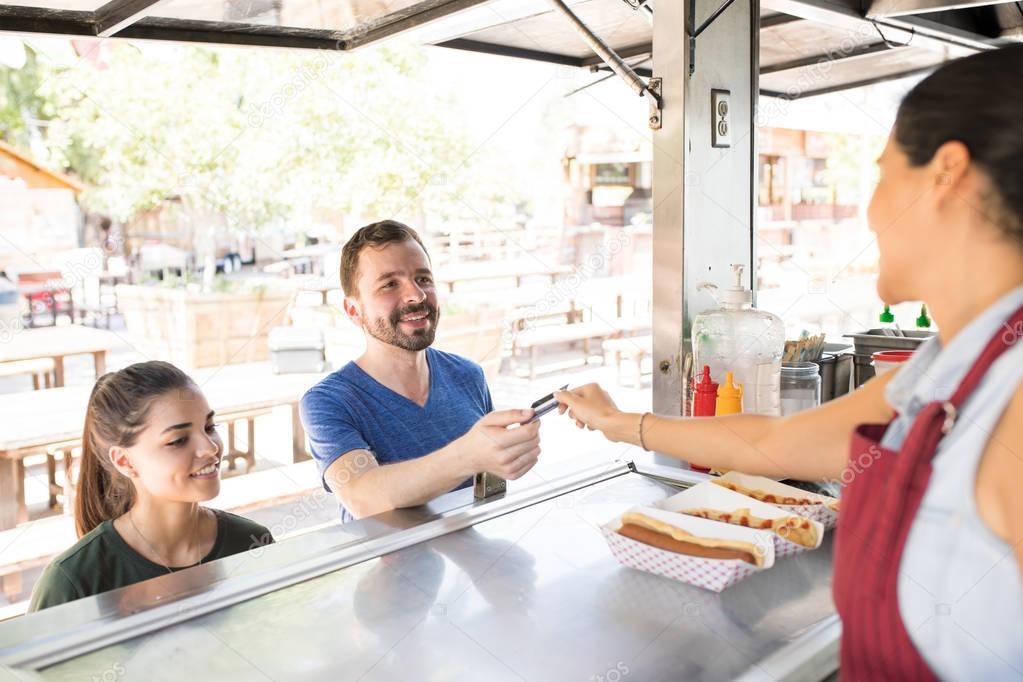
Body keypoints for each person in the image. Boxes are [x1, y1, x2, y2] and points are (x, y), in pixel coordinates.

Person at [554, 45, 1023, 680]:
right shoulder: (956, 361)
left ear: (947, 175)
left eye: (883, 175)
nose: (872, 209)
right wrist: (621, 423)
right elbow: (779, 439)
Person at [300, 221, 541, 522]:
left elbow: (484, 490)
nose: (416, 295)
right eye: (389, 284)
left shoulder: (469, 375)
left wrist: (507, 456)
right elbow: (363, 497)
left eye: (423, 278)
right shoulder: (329, 401)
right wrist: (468, 455)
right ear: (353, 311)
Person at [29, 361, 274, 611]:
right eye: (178, 440)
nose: (211, 448)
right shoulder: (72, 582)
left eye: (209, 427)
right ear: (125, 461)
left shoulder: (252, 543)